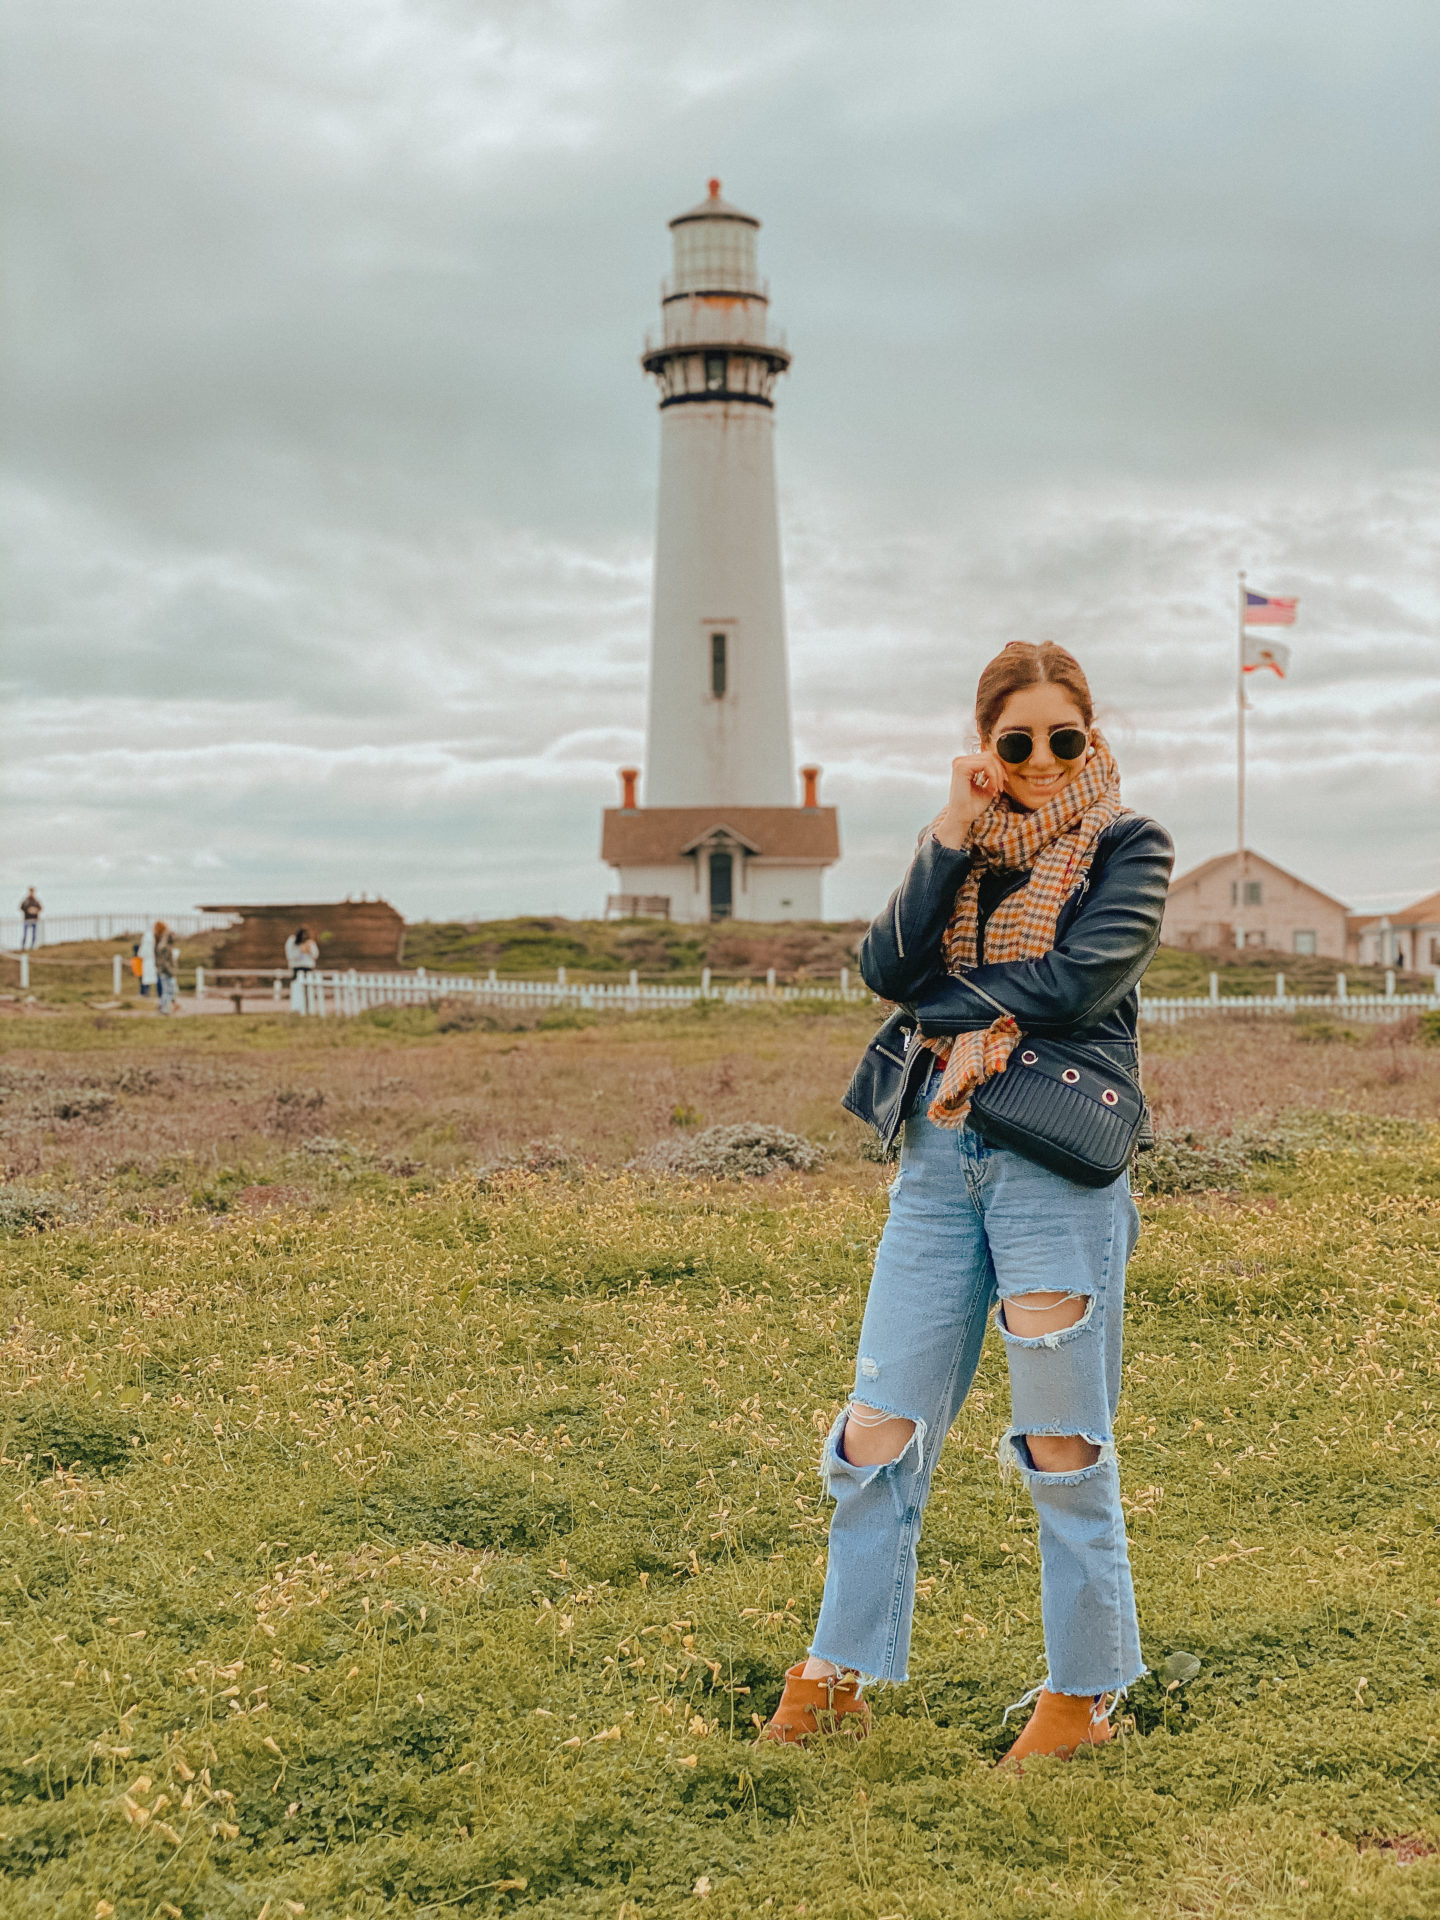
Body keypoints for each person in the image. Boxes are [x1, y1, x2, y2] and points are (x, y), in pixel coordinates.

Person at [762, 641, 1174, 1767]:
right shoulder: (962, 855)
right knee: (875, 1429)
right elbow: (886, 963)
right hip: (941, 1166)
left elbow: (1080, 981)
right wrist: (951, 827)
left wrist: (943, 1006)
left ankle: (1084, 1694)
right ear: (986, 748)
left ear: (1090, 736)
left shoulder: (1129, 845)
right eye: (1016, 742)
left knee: (1060, 1440)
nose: (1042, 761)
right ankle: (837, 1673)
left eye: (1063, 738)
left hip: (1054, 1169)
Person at [285, 926, 319, 1011]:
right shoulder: (292, 941)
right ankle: (297, 1007)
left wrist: (309, 950)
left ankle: (308, 1007)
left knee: (308, 989)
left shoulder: (310, 943)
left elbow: (315, 955)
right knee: (297, 988)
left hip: (308, 968)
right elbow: (290, 956)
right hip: (297, 968)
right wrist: (301, 952)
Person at [154, 921, 180, 1015]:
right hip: (166, 971)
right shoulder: (164, 947)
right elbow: (165, 961)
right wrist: (170, 971)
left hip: (163, 970)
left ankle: (163, 1006)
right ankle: (163, 1009)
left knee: (168, 990)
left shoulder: (160, 944)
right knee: (168, 991)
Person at [138, 923, 157, 997]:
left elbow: (141, 954)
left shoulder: (145, 941)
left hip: (147, 961)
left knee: (146, 978)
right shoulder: (154, 940)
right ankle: (158, 992)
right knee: (153, 977)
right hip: (153, 961)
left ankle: (145, 992)